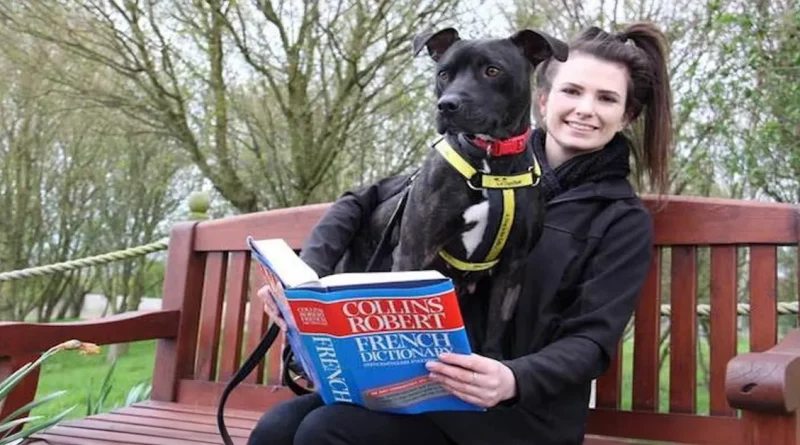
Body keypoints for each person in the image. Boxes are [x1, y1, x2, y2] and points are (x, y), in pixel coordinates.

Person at [248, 20, 673, 445]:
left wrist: (512, 378)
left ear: (627, 115)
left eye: (606, 98)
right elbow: (360, 202)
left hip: (520, 413)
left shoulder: (619, 219)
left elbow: (592, 342)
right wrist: (301, 283)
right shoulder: (479, 165)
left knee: (328, 432)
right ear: (542, 99)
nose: (585, 108)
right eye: (572, 91)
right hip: (431, 385)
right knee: (277, 429)